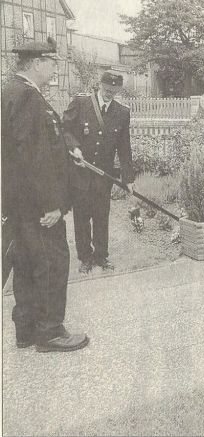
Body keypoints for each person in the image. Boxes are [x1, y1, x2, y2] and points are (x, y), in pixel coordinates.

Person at [1, 38, 89, 352]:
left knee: (25, 263)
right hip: (38, 205)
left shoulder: (14, 92)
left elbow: (42, 141)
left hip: (20, 203)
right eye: (51, 62)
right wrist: (51, 204)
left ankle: (26, 331)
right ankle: (50, 332)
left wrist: (69, 147)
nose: (54, 68)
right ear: (37, 62)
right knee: (52, 261)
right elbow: (33, 156)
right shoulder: (27, 97)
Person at [62, 71, 135, 273]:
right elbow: (65, 129)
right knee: (82, 217)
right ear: (100, 85)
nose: (110, 93)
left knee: (102, 216)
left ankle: (101, 256)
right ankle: (85, 257)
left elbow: (124, 147)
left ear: (119, 90)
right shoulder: (81, 103)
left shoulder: (122, 112)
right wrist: (74, 147)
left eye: (114, 91)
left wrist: (128, 178)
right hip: (81, 173)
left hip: (104, 176)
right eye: (107, 89)